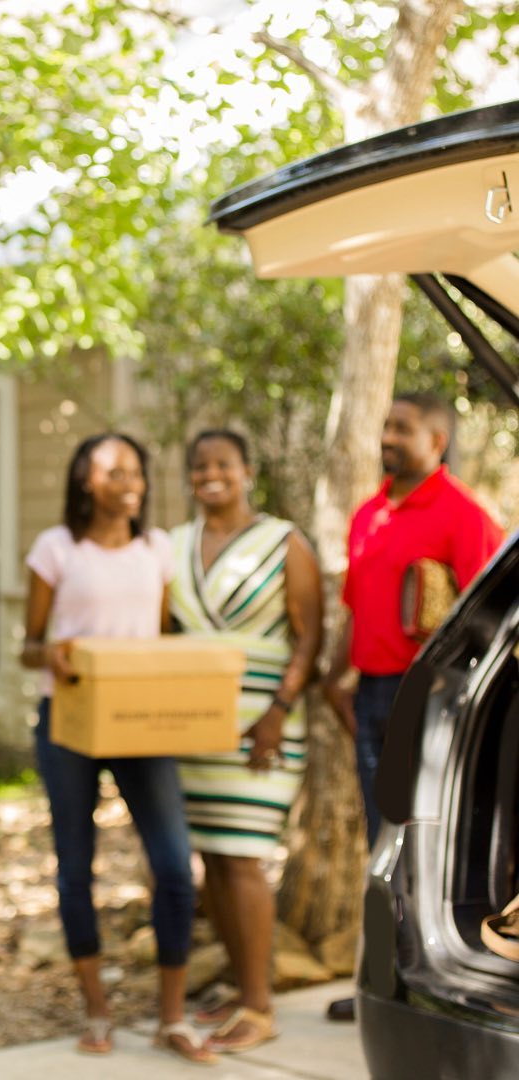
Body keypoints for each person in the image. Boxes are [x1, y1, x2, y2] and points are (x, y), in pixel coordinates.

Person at [21, 433, 215, 1065]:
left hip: (139, 723)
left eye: (137, 468)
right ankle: (97, 1010)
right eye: (115, 470)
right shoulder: (56, 548)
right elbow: (29, 644)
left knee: (175, 868)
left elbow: (158, 636)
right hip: (69, 722)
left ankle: (172, 1017)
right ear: (86, 479)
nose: (130, 479)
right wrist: (51, 653)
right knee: (77, 868)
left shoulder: (157, 549)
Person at [322, 391, 503, 1023]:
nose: (389, 437)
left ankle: (420, 983)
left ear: (436, 440)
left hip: (426, 700)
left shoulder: (463, 515)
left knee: (419, 843)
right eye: (386, 426)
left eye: (403, 428)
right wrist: (334, 679)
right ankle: (381, 981)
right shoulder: (371, 511)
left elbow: (494, 623)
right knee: (379, 839)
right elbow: (354, 604)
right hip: (370, 693)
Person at [165, 429, 323, 1054]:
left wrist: (278, 711)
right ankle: (242, 985)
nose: (211, 475)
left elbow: (310, 637)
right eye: (199, 465)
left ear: (247, 471)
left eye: (223, 464)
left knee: (243, 856)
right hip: (194, 726)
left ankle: (262, 1006)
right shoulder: (174, 545)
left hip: (263, 724)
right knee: (212, 862)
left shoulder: (285, 542)